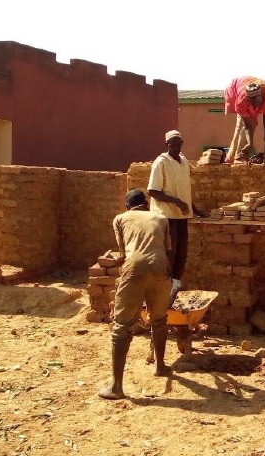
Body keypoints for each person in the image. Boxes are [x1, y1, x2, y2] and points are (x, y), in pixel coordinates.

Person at [99, 189, 174, 400]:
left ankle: (116, 386)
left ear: (127, 206)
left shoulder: (121, 219)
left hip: (135, 269)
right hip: (161, 268)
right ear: (146, 204)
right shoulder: (161, 218)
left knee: (122, 327)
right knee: (159, 319)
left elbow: (124, 253)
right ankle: (160, 365)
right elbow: (166, 248)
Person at [147, 130, 206, 303]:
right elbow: (153, 191)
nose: (175, 147)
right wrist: (176, 202)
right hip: (166, 216)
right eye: (172, 144)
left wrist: (194, 208)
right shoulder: (161, 162)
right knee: (169, 255)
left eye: (178, 144)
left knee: (182, 254)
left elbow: (184, 191)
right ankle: (162, 293)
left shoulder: (184, 161)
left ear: (182, 144)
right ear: (167, 145)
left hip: (182, 216)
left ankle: (174, 290)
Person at [224, 77, 265, 160]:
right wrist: (250, 143)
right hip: (235, 87)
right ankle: (237, 157)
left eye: (257, 100)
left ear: (261, 95)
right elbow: (248, 125)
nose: (255, 103)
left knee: (252, 123)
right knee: (241, 126)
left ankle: (236, 156)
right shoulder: (242, 101)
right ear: (248, 98)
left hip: (249, 84)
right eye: (252, 100)